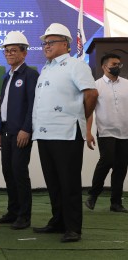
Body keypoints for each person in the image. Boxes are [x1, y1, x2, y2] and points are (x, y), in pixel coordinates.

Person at [32, 23, 98, 242]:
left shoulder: (75, 65)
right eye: (44, 43)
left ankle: (73, 228)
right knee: (53, 182)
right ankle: (58, 221)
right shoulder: (46, 68)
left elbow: (91, 94)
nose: (46, 46)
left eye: (51, 42)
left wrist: (80, 115)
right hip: (44, 134)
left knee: (68, 183)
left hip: (67, 134)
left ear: (65, 44)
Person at [0, 31, 39, 229]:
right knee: (8, 172)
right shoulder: (8, 76)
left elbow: (33, 105)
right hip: (6, 132)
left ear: (24, 53)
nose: (9, 54)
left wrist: (26, 129)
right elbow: (4, 105)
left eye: (13, 50)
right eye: (6, 51)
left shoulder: (30, 75)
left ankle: (24, 216)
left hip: (21, 133)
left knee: (19, 173)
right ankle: (13, 212)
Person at [85, 53, 128, 213]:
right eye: (114, 64)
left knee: (122, 167)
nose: (117, 66)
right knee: (107, 161)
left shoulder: (126, 84)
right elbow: (89, 112)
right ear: (104, 67)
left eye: (119, 64)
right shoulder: (96, 86)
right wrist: (88, 132)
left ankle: (115, 203)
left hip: (125, 132)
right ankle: (93, 195)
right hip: (105, 131)